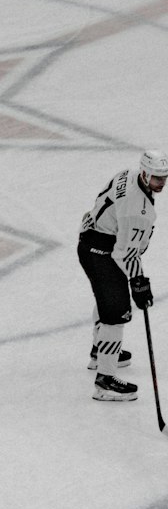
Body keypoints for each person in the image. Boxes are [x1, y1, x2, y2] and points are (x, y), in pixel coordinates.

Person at [78, 149, 168, 402]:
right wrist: (139, 283)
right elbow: (125, 254)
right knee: (116, 313)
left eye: (164, 178)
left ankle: (100, 351)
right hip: (102, 251)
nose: (161, 183)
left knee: (106, 301)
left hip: (91, 241)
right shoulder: (136, 210)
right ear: (145, 172)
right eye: (156, 178)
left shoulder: (127, 175)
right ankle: (105, 381)